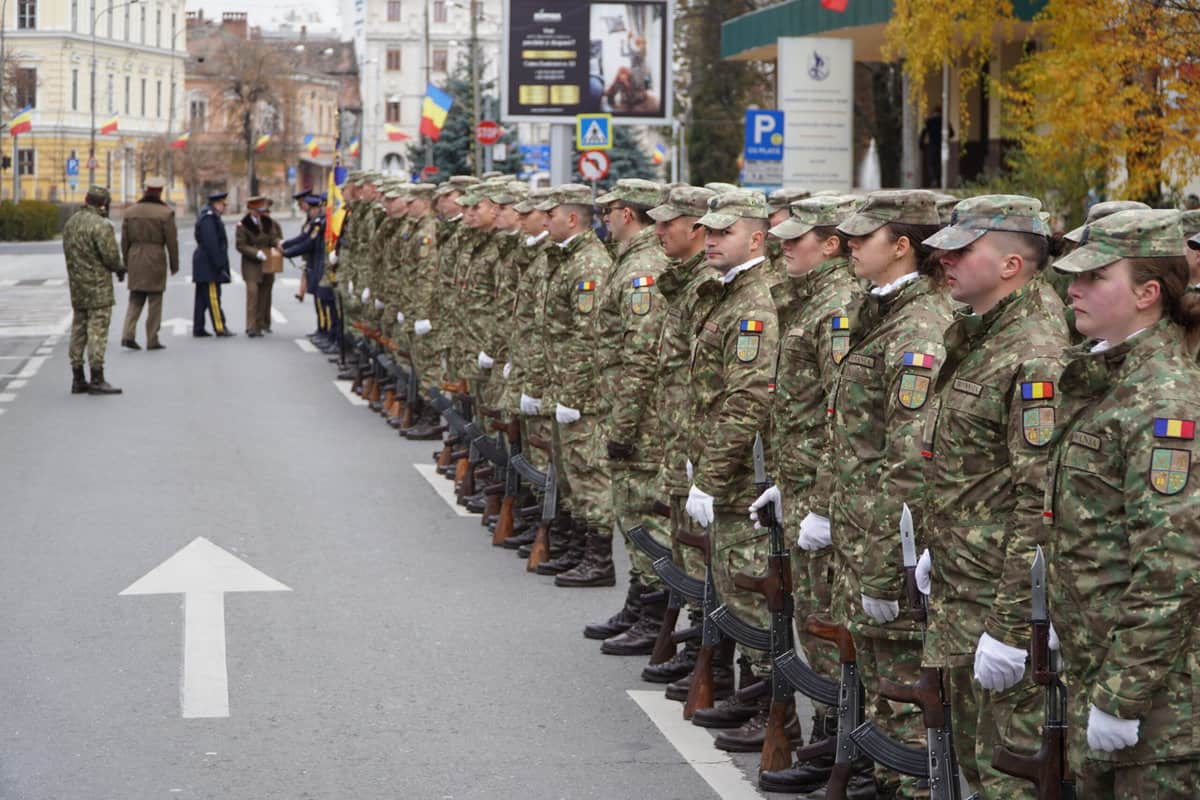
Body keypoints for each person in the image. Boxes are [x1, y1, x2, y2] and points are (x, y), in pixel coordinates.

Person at [915, 195, 1068, 799]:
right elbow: (973, 473)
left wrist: (1014, 628)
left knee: (1010, 775)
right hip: (967, 586)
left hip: (1000, 601)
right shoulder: (983, 334)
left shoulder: (1035, 352)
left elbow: (1041, 502)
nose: (943, 262)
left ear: (1011, 265)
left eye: (962, 250)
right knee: (979, 764)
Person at [1046, 209, 1200, 798]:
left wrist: (1122, 694)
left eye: (1093, 278)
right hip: (1103, 671)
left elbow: (1173, 568)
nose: (1074, 289)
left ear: (1147, 293)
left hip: (1160, 707)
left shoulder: (1164, 399)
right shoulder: (1109, 378)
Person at [820, 189, 954, 797]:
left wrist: (885, 570)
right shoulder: (882, 312)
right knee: (881, 691)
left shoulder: (919, 326)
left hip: (890, 547)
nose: (849, 245)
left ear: (902, 246)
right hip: (864, 533)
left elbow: (908, 461)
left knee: (902, 701)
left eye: (862, 237)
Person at [682, 189, 786, 752]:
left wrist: (711, 478)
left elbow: (748, 400)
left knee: (752, 593)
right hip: (727, 471)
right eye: (710, 230)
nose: (712, 239)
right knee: (733, 586)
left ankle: (773, 706)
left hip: (745, 480)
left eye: (725, 231)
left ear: (756, 238)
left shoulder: (752, 304)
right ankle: (752, 694)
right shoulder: (725, 293)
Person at [62, 185, 124, 394]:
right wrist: (120, 268)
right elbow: (111, 256)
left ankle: (77, 377)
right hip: (98, 287)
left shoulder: (70, 223)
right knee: (97, 331)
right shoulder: (100, 225)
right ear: (104, 205)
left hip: (77, 287)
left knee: (78, 330)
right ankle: (97, 378)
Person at [120, 175, 179, 351]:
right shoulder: (165, 213)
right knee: (155, 300)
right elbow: (172, 242)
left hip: (135, 256)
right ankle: (152, 338)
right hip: (155, 258)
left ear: (145, 191)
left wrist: (126, 261)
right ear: (160, 192)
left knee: (135, 298)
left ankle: (127, 334)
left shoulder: (130, 212)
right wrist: (174, 264)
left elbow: (124, 240)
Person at [235, 195, 283, 337]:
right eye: (257, 210)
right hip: (252, 263)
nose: (260, 213)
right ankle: (251, 326)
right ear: (251, 210)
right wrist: (256, 253)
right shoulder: (243, 224)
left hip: (267, 260)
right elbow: (241, 245)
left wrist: (278, 243)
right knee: (253, 293)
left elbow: (274, 237)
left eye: (261, 210)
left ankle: (260, 323)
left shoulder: (268, 222)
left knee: (264, 293)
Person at [192, 190, 234, 337]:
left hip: (204, 263)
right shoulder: (209, 218)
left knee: (202, 299)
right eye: (223, 204)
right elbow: (212, 244)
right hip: (208, 264)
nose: (225, 207)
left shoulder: (208, 215)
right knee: (213, 297)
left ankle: (198, 327)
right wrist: (219, 265)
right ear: (217, 204)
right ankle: (220, 326)